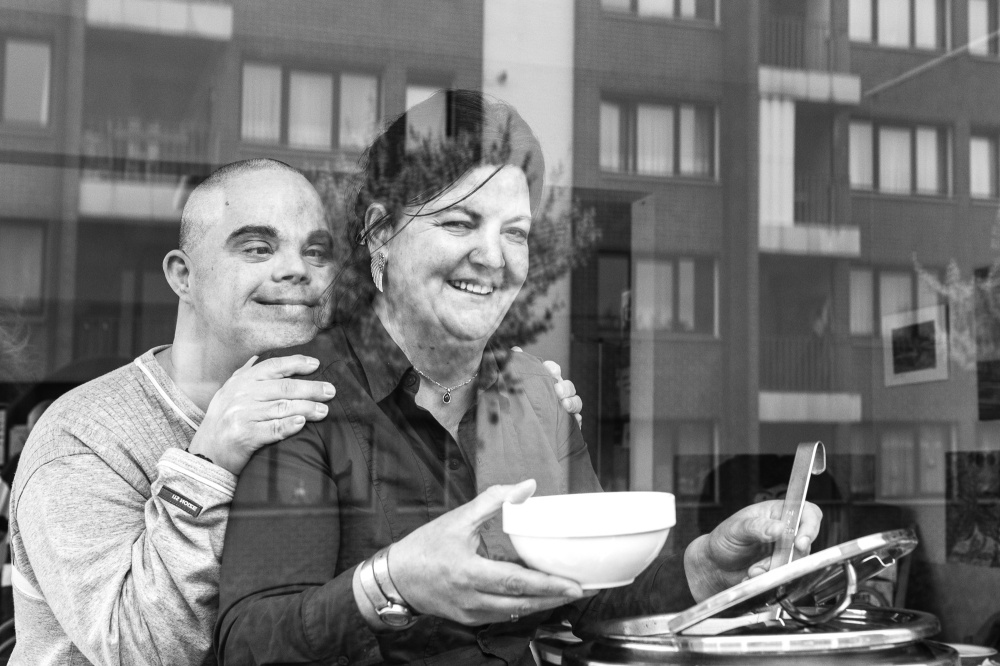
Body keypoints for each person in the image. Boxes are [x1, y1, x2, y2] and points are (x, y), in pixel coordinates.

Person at [215, 90, 822, 665]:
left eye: (515, 233)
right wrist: (390, 582)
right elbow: (248, 642)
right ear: (380, 234)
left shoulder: (534, 391)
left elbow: (592, 593)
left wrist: (705, 567)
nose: (494, 258)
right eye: (459, 223)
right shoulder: (303, 389)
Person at [7, 156, 588, 665]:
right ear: (183, 275)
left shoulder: (335, 402)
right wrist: (207, 464)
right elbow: (144, 653)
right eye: (257, 247)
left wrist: (524, 419)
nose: (297, 270)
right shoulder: (84, 437)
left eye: (316, 251)